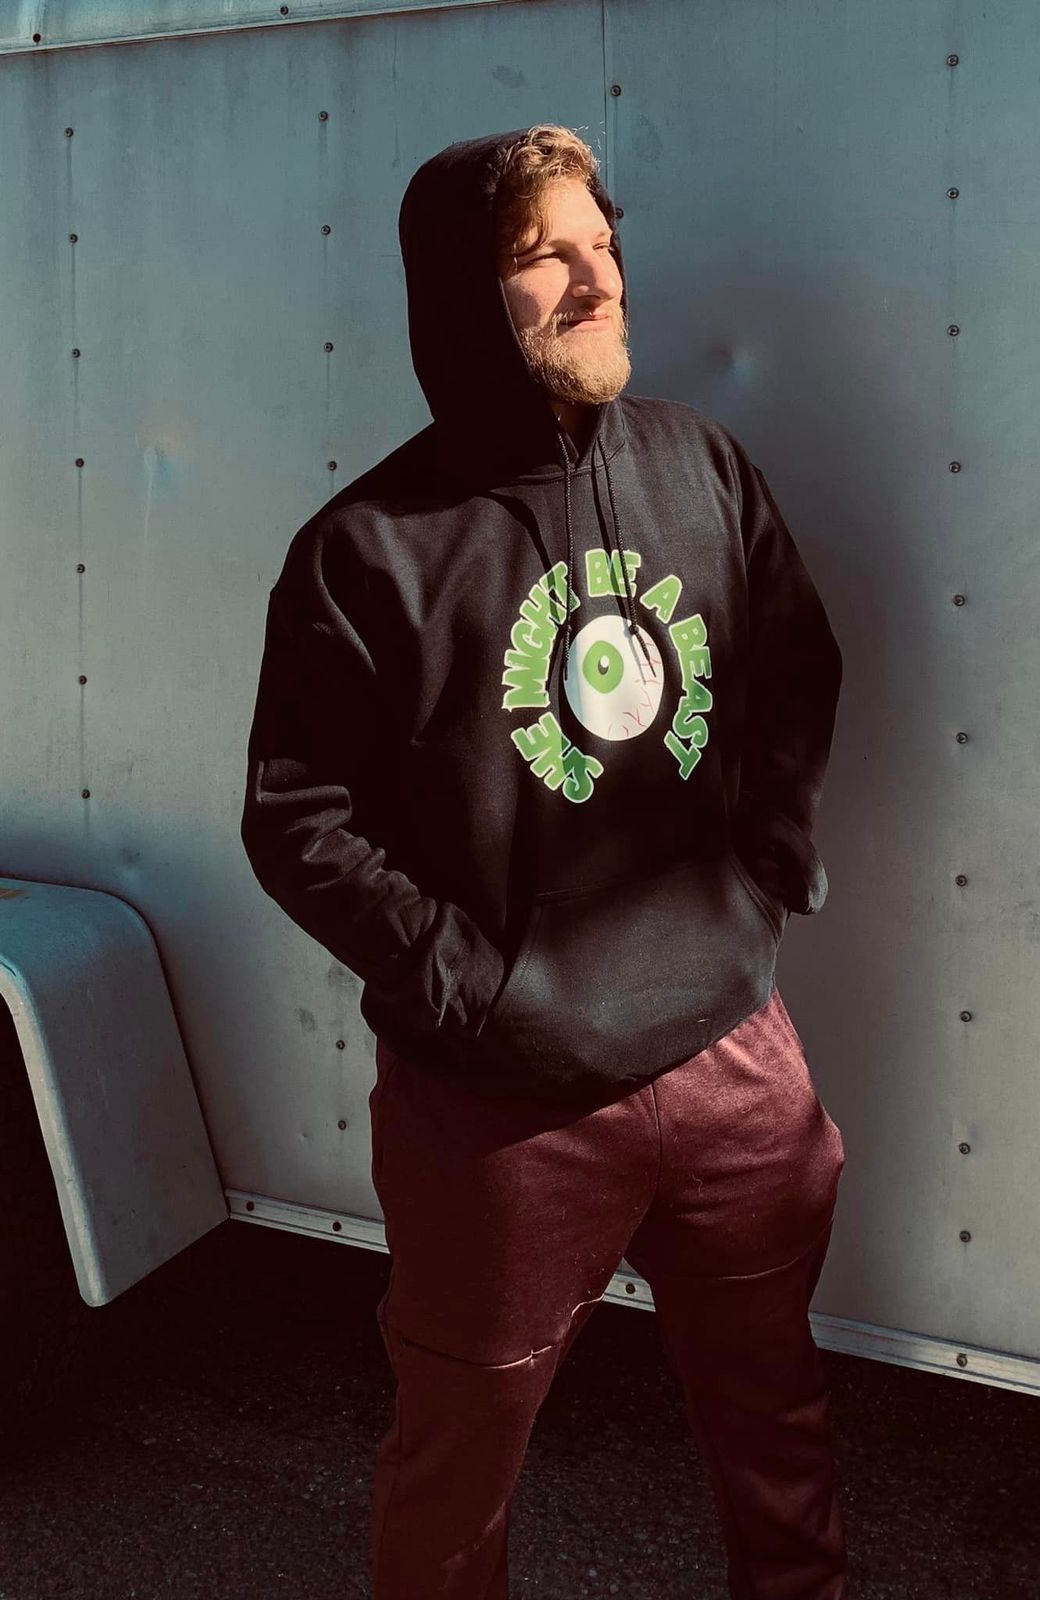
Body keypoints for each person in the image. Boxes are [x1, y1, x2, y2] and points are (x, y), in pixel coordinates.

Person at [240, 123, 848, 1600]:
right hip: (502, 1117)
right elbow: (296, 819)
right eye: (541, 255)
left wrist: (761, 868)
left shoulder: (700, 464)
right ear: (464, 295)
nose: (596, 278)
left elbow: (796, 664)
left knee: (778, 1427)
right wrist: (478, 991)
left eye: (603, 242)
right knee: (459, 1471)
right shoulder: (366, 551)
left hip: (733, 1063)